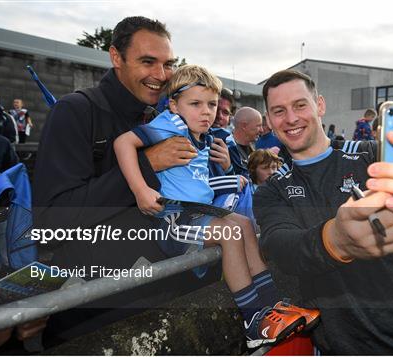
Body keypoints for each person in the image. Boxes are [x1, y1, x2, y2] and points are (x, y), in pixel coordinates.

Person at [254, 69, 393, 355]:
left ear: (320, 105)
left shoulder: (372, 156)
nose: (291, 118)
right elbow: (283, 250)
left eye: (300, 105)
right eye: (279, 111)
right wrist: (337, 240)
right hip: (345, 347)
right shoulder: (272, 191)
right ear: (269, 120)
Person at [113, 64, 319, 349]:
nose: (206, 112)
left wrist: (228, 177)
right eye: (195, 104)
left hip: (199, 213)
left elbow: (198, 186)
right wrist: (140, 189)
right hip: (173, 220)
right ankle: (252, 320)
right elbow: (123, 142)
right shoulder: (170, 124)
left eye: (211, 104)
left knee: (244, 225)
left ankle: (273, 305)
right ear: (174, 105)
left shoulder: (205, 137)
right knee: (230, 232)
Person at [32, 16, 205, 341]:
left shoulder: (161, 119)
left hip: (166, 301)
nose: (161, 75)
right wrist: (147, 164)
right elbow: (51, 221)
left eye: (167, 64)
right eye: (147, 62)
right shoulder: (75, 112)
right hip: (93, 318)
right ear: (115, 57)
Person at [227, 107, 263, 178]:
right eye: (258, 126)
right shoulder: (227, 150)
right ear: (244, 126)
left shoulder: (252, 150)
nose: (261, 130)